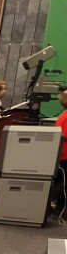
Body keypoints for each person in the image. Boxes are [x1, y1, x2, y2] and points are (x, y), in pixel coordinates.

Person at [51, 89, 67, 217]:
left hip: (62, 154)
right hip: (65, 155)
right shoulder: (65, 117)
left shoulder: (63, 116)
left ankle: (59, 208)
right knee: (63, 185)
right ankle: (55, 205)